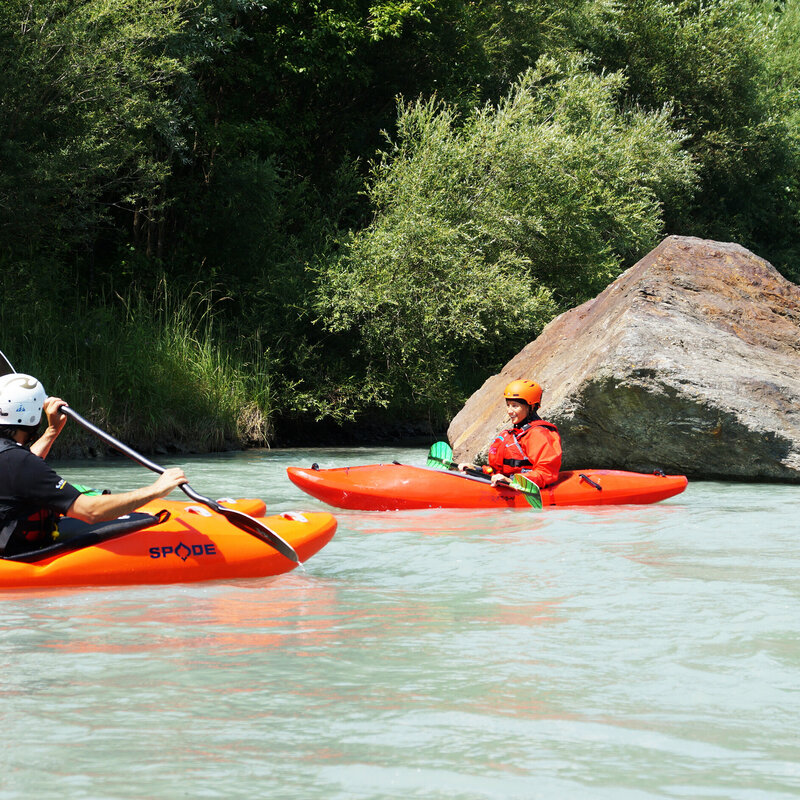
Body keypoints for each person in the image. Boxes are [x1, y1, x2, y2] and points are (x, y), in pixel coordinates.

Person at [0, 373, 188, 556]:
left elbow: (18, 469)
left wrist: (52, 431)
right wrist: (156, 489)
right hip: (19, 555)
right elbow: (91, 511)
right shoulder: (20, 463)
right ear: (32, 416)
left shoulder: (13, 459)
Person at [459, 379, 562, 489]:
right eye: (508, 405)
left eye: (515, 406)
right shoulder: (514, 433)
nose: (509, 411)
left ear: (531, 407)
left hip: (527, 487)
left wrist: (512, 481)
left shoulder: (540, 434)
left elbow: (546, 473)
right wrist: (478, 470)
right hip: (506, 484)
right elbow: (498, 470)